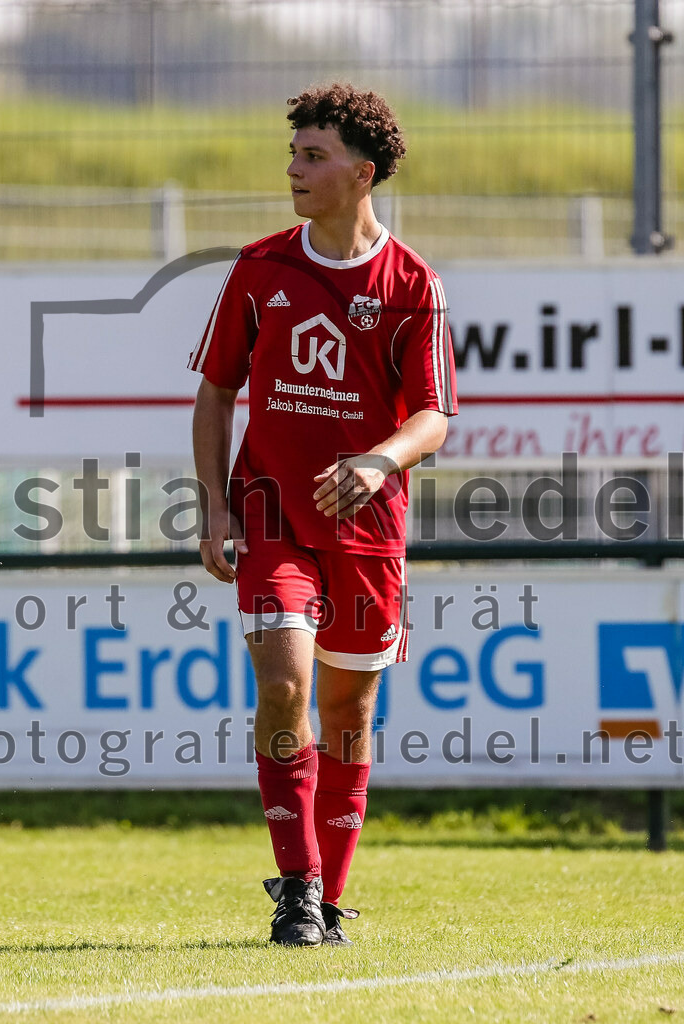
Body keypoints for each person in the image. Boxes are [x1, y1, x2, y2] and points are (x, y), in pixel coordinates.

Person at [189, 83, 457, 947]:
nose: (294, 169)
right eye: (294, 153)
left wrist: (381, 460)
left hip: (369, 535)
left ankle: (329, 895)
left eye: (314, 156)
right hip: (270, 517)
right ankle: (297, 886)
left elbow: (434, 414)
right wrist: (214, 507)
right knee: (283, 686)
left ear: (362, 172)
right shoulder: (261, 266)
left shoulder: (412, 284)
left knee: (346, 718)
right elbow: (215, 393)